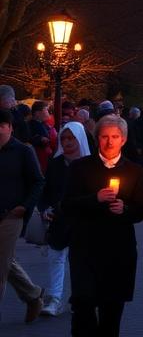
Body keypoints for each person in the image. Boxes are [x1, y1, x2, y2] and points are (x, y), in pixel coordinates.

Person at [63, 114, 143, 335]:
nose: (109, 142)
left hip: (118, 251)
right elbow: (67, 204)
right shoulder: (80, 167)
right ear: (96, 138)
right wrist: (95, 199)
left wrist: (125, 209)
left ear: (124, 139)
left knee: (111, 313)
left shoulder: (134, 170)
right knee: (83, 308)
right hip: (86, 248)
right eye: (104, 136)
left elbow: (142, 210)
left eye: (115, 136)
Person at [38, 121, 91, 316]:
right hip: (59, 220)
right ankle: (55, 298)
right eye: (64, 138)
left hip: (83, 221)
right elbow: (45, 190)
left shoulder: (90, 164)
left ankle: (80, 298)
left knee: (81, 262)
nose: (67, 142)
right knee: (56, 259)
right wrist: (44, 209)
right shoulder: (56, 163)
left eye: (71, 138)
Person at [0, 108, 46, 323]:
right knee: (5, 260)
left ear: (10, 128)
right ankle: (33, 295)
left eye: (2, 126)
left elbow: (38, 181)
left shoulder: (22, 151)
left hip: (11, 215)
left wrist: (24, 206)